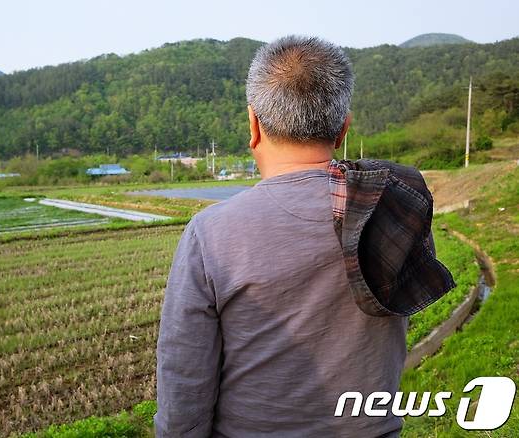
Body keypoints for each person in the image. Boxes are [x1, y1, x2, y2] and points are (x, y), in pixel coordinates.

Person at [155, 35, 454, 437]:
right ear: (343, 129)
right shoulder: (397, 208)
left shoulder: (212, 234)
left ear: (253, 124)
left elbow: (184, 388)